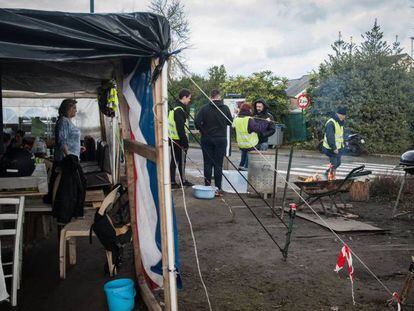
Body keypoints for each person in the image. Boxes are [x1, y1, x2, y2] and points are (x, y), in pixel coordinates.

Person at [195, 89, 232, 196]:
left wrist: (203, 130)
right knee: (218, 164)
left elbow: (197, 122)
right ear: (219, 97)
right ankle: (217, 189)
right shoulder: (225, 108)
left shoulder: (204, 108)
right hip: (221, 139)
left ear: (210, 97)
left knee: (207, 164)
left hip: (206, 138)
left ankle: (207, 187)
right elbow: (230, 122)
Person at [233, 103, 273, 170]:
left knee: (242, 163)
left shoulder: (237, 119)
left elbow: (234, 128)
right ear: (248, 110)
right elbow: (259, 129)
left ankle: (240, 171)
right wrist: (266, 122)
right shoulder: (249, 120)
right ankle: (246, 172)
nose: (252, 110)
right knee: (247, 166)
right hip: (250, 144)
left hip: (242, 143)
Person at [169, 88, 193, 188]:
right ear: (184, 97)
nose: (189, 100)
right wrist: (185, 142)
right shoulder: (179, 110)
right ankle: (182, 181)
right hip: (179, 140)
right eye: (189, 98)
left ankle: (172, 181)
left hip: (173, 139)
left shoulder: (173, 109)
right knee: (181, 161)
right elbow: (180, 128)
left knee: (174, 161)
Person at [322, 107, 346, 177]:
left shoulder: (340, 122)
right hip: (330, 148)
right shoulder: (331, 123)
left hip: (338, 148)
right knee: (334, 164)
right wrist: (334, 148)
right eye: (344, 116)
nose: (344, 117)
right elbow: (330, 137)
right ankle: (331, 178)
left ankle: (327, 173)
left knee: (338, 163)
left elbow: (340, 135)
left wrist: (342, 145)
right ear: (340, 115)